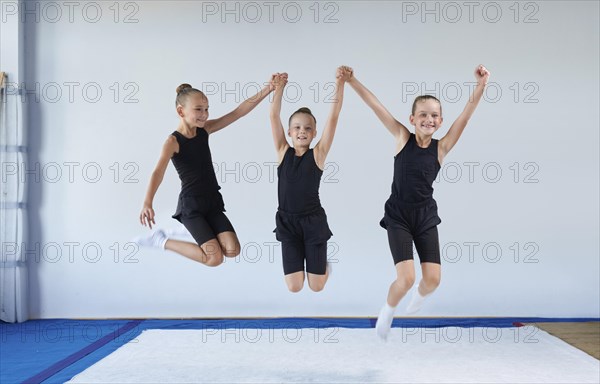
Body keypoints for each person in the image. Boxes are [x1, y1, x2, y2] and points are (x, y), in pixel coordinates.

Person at [344, 65, 490, 339]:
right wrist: (352, 81)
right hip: (398, 215)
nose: (429, 119)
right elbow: (377, 107)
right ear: (412, 118)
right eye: (423, 114)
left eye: (434, 115)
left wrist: (481, 85)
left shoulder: (442, 147)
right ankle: (387, 310)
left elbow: (466, 118)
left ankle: (419, 298)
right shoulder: (402, 138)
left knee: (433, 280)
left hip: (425, 217)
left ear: (441, 121)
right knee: (407, 278)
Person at [134, 77, 275, 267]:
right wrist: (147, 202)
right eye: (198, 109)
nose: (205, 114)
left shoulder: (205, 130)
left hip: (211, 201)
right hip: (191, 206)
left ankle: (190, 230)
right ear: (180, 111)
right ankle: (160, 240)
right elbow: (157, 172)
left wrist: (269, 89)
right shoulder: (173, 142)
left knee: (233, 250)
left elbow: (237, 113)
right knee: (214, 258)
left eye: (207, 109)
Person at [269, 67, 350, 292]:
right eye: (297, 127)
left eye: (308, 128)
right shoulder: (282, 151)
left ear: (314, 133)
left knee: (316, 286)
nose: (302, 131)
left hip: (313, 223)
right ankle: (314, 265)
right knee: (294, 287)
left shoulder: (318, 154)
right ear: (289, 132)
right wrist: (279, 88)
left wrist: (340, 83)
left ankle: (324, 267)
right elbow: (273, 115)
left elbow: (333, 116)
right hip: (287, 222)